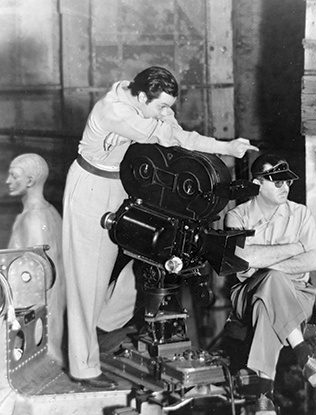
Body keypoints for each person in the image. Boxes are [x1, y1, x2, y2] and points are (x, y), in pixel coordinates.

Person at [62, 65, 258, 388]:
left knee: (140, 260)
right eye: (162, 105)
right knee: (86, 279)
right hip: (91, 187)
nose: (166, 110)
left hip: (120, 184)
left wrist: (163, 115)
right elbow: (171, 137)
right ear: (142, 97)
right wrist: (225, 147)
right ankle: (84, 367)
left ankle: (104, 326)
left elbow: (170, 128)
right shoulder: (115, 111)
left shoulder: (137, 98)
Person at [224, 153, 316, 415]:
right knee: (269, 285)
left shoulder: (301, 213)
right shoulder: (236, 217)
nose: (285, 187)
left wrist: (265, 265)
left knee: (270, 289)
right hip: (248, 294)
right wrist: (296, 248)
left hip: (297, 294)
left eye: (288, 181)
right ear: (257, 184)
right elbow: (244, 259)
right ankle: (303, 354)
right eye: (277, 182)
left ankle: (264, 393)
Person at [6, 153, 66, 364]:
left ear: (30, 181)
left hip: (36, 323)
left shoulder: (33, 219)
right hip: (46, 321)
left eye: (14, 176)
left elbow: (35, 280)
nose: (8, 181)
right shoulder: (50, 212)